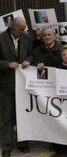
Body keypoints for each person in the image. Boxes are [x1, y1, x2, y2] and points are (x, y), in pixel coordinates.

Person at [0, 18, 32, 157]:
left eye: (24, 28)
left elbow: (31, 54)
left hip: (23, 84)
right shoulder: (0, 38)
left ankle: (22, 143)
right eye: (21, 29)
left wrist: (28, 60)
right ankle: (6, 146)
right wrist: (7, 64)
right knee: (6, 117)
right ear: (12, 27)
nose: (23, 31)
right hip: (5, 85)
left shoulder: (26, 37)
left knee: (22, 116)